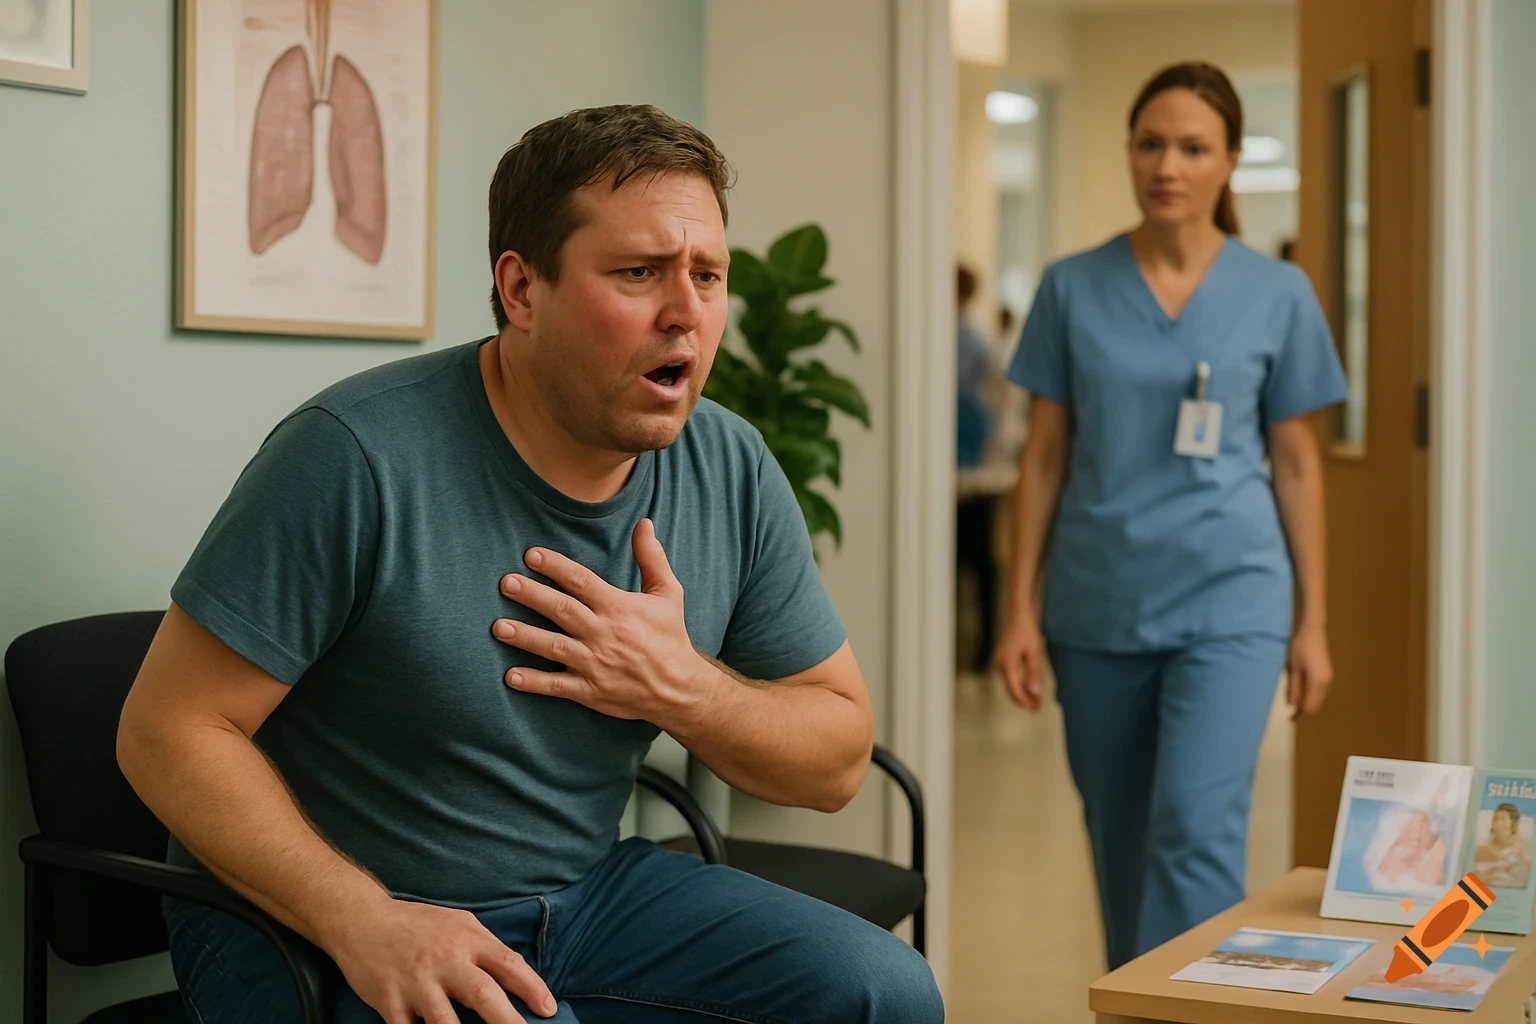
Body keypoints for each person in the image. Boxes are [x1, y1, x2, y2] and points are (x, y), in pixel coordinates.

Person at [116, 104, 942, 1024]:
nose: (686, 314)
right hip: (314, 919)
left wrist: (682, 688)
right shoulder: (354, 454)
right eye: (639, 272)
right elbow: (168, 731)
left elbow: (835, 761)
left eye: (707, 275)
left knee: (888, 995)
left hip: (585, 895)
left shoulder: (730, 464)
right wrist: (363, 917)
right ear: (520, 289)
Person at [993, 62, 1348, 970]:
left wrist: (1312, 621)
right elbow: (1044, 458)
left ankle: (1194, 1009)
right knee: (1118, 840)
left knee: (1195, 827)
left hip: (1234, 600)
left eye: (1193, 147)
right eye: (1150, 143)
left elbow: (1298, 464)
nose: (1167, 166)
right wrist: (1019, 610)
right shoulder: (1072, 287)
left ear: (1230, 161)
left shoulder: (1278, 294)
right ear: (1129, 151)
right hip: (1097, 605)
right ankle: (1139, 1002)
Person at [955, 264, 1002, 672]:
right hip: (974, 464)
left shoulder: (962, 341)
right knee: (980, 562)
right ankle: (982, 646)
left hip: (965, 468)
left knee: (968, 562)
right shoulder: (976, 341)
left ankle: (978, 646)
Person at [1475, 803, 1533, 889]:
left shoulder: (1525, 848)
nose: (1498, 823)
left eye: (1503, 819)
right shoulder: (1483, 848)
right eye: (1495, 819)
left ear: (1513, 823)